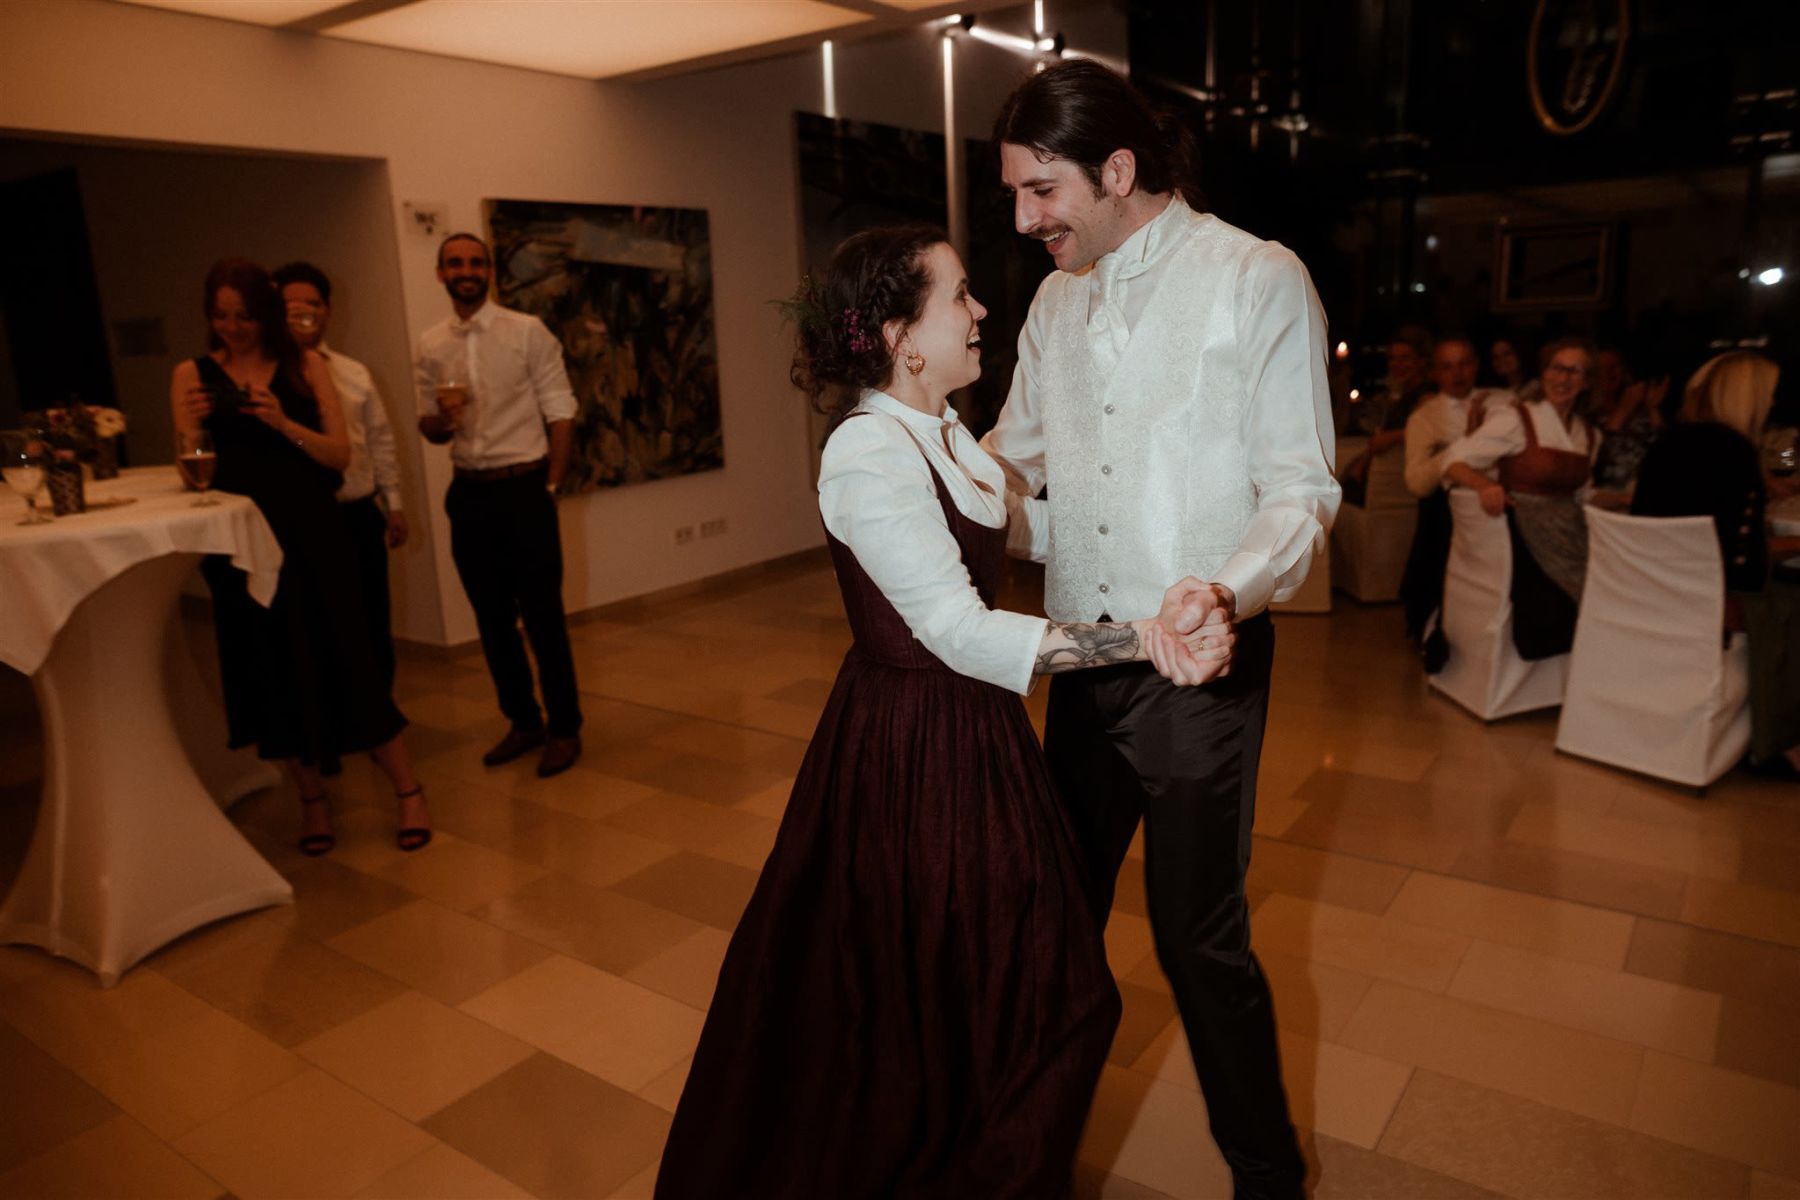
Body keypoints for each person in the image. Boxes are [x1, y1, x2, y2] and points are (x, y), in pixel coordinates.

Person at [656, 225, 1232, 1198]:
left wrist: (1180, 575)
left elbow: (1030, 526)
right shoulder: (865, 452)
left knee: (1029, 988)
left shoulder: (949, 433)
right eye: (959, 295)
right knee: (1004, 992)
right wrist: (1142, 639)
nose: (980, 311)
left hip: (976, 734)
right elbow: (960, 632)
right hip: (911, 747)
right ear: (899, 337)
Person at [983, 59, 1340, 1200]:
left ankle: (1269, 1177)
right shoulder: (1054, 304)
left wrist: (1227, 590)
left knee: (1197, 939)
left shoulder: (1256, 277)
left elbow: (1300, 490)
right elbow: (1009, 468)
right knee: (1056, 920)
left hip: (1200, 668)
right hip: (1084, 661)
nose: (1025, 219)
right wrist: (910, 473)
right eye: (1016, 194)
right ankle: (1026, 1158)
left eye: (1041, 190)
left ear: (1118, 170)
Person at [170, 258, 429, 853]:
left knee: (351, 661)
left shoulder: (305, 365)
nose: (233, 328)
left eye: (244, 316)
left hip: (314, 535)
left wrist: (281, 420)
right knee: (272, 672)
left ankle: (408, 791)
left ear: (265, 314)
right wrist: (196, 428)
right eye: (221, 316)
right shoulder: (191, 374)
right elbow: (191, 474)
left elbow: (340, 455)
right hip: (243, 545)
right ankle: (312, 801)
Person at [414, 232, 583, 778]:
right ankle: (523, 720)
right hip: (468, 493)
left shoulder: (525, 331)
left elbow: (561, 412)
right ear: (440, 274)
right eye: (455, 263)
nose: (465, 270)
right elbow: (429, 425)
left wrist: (550, 488)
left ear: (488, 271)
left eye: (475, 262)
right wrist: (440, 421)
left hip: (524, 488)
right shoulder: (431, 343)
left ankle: (565, 728)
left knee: (542, 618)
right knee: (491, 620)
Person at [1634, 351, 1800, 776]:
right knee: (1788, 599)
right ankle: (1780, 741)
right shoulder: (1738, 451)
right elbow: (1742, 562)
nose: (1773, 403)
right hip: (1703, 597)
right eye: (1767, 394)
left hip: (1656, 585)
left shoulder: (1672, 443)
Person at [274, 261, 407, 693]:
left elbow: (380, 441)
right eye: (290, 305)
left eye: (312, 304)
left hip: (357, 512)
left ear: (327, 310)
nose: (302, 312)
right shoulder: (265, 378)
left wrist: (394, 504)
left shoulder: (353, 372)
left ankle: (381, 710)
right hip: (302, 520)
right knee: (317, 625)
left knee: (372, 618)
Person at [1442, 336, 1599, 657]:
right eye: (1557, 368)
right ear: (1544, 373)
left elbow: (1584, 496)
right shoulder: (1516, 419)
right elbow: (1452, 462)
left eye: (1575, 371)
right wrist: (1483, 485)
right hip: (1527, 535)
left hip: (1572, 533)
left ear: (1587, 382)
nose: (1564, 378)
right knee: (1559, 608)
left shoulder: (1588, 434)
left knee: (1613, 590)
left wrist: (1624, 500)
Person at [1400, 336, 1512, 654]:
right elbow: (1417, 483)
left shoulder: (1502, 402)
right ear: (1436, 372)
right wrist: (1465, 443)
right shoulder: (1424, 417)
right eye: (1448, 367)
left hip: (1502, 506)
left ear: (1476, 366)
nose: (1458, 374)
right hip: (1447, 514)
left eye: (1464, 364)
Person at [1341, 325, 1433, 505]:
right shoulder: (1402, 396)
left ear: (1421, 360)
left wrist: (1389, 438)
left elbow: (1428, 430)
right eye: (1392, 359)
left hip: (1401, 480)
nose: (1397, 365)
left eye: (1405, 358)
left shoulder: (1427, 396)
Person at [1488, 333, 1540, 402]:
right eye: (1495, 357)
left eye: (1507, 354)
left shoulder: (1535, 386)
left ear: (1519, 353)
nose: (1501, 360)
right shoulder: (1493, 390)